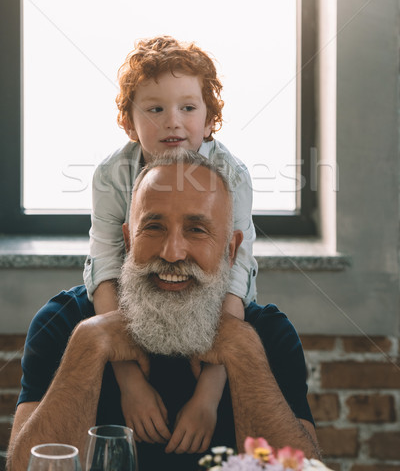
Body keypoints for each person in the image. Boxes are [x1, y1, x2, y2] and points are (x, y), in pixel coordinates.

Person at [7, 152, 319, 471]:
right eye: (154, 227)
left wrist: (243, 352)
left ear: (231, 251)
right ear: (128, 241)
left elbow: (304, 467)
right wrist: (88, 346)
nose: (172, 253)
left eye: (196, 230)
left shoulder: (268, 334)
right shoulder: (64, 321)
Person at [84, 35, 258, 452]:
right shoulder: (112, 175)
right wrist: (128, 379)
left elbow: (239, 271)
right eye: (155, 109)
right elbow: (105, 261)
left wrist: (210, 392)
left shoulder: (231, 175)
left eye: (188, 108)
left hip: (206, 309)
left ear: (210, 119)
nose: (173, 122)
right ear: (129, 122)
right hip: (138, 303)